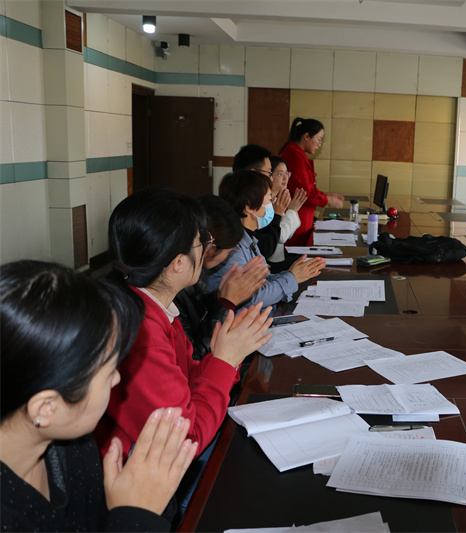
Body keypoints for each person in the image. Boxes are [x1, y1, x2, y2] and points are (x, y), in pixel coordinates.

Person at [1, 260, 197, 532]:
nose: (117, 379)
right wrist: (135, 517)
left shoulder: (72, 445)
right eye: (108, 372)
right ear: (46, 408)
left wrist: (145, 492)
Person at [94, 188, 274, 460]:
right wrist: (225, 360)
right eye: (203, 242)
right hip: (137, 471)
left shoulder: (149, 306)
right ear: (178, 263)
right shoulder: (141, 334)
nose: (207, 249)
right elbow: (185, 442)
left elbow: (188, 381)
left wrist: (228, 354)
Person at [212, 169, 326, 309]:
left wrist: (293, 275)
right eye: (269, 198)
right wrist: (292, 277)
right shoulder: (231, 247)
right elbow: (253, 297)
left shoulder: (249, 237)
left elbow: (265, 279)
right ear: (250, 206)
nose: (272, 202)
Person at [175, 195, 269, 361]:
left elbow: (197, 314)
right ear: (209, 247)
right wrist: (227, 303)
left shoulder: (189, 281)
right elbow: (194, 359)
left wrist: (219, 296)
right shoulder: (171, 289)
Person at [280, 118, 345, 246]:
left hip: (301, 218)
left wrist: (325, 195)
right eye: (319, 139)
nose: (319, 144)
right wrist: (327, 199)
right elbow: (304, 192)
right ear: (306, 136)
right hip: (297, 221)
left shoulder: (298, 154)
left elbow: (306, 186)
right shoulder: (294, 155)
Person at [267, 154, 307, 271]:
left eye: (287, 173)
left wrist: (292, 211)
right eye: (280, 174)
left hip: (278, 257)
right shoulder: (264, 201)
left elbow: (289, 233)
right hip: (268, 263)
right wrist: (292, 211)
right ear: (269, 176)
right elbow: (280, 236)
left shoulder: (276, 199)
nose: (285, 178)